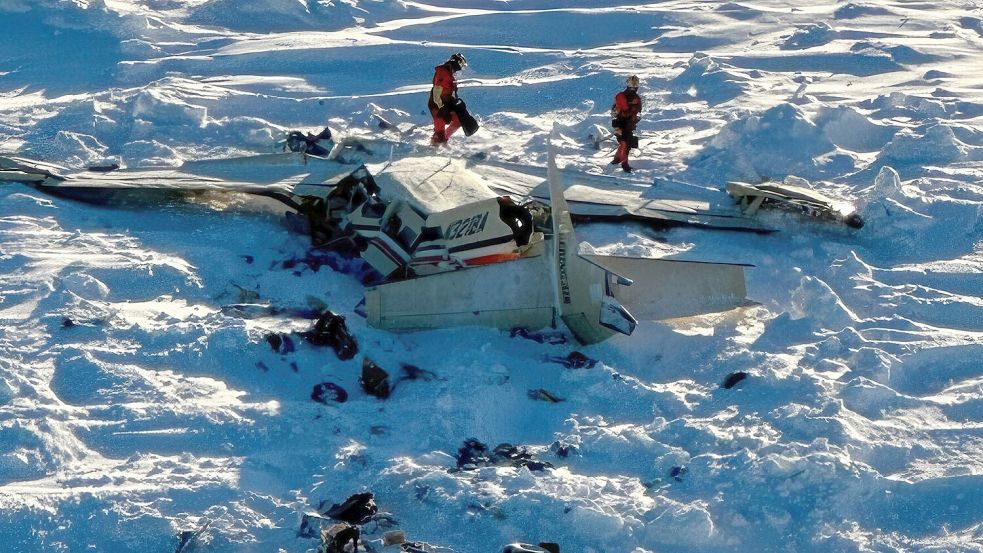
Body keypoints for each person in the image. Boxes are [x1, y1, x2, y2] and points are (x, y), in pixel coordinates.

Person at [428, 53, 467, 146]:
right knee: (440, 134)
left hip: (446, 104)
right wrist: (442, 109)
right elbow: (436, 94)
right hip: (437, 106)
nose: (460, 69)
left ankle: (442, 140)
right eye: (461, 65)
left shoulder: (449, 73)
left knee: (458, 120)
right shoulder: (443, 73)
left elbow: (447, 91)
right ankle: (436, 147)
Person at [610, 75, 642, 173]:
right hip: (621, 123)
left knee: (625, 143)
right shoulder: (621, 96)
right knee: (625, 144)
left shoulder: (636, 98)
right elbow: (615, 112)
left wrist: (635, 118)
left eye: (635, 86)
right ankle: (624, 163)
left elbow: (639, 111)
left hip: (629, 124)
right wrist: (617, 125)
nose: (633, 88)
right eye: (632, 85)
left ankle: (617, 159)